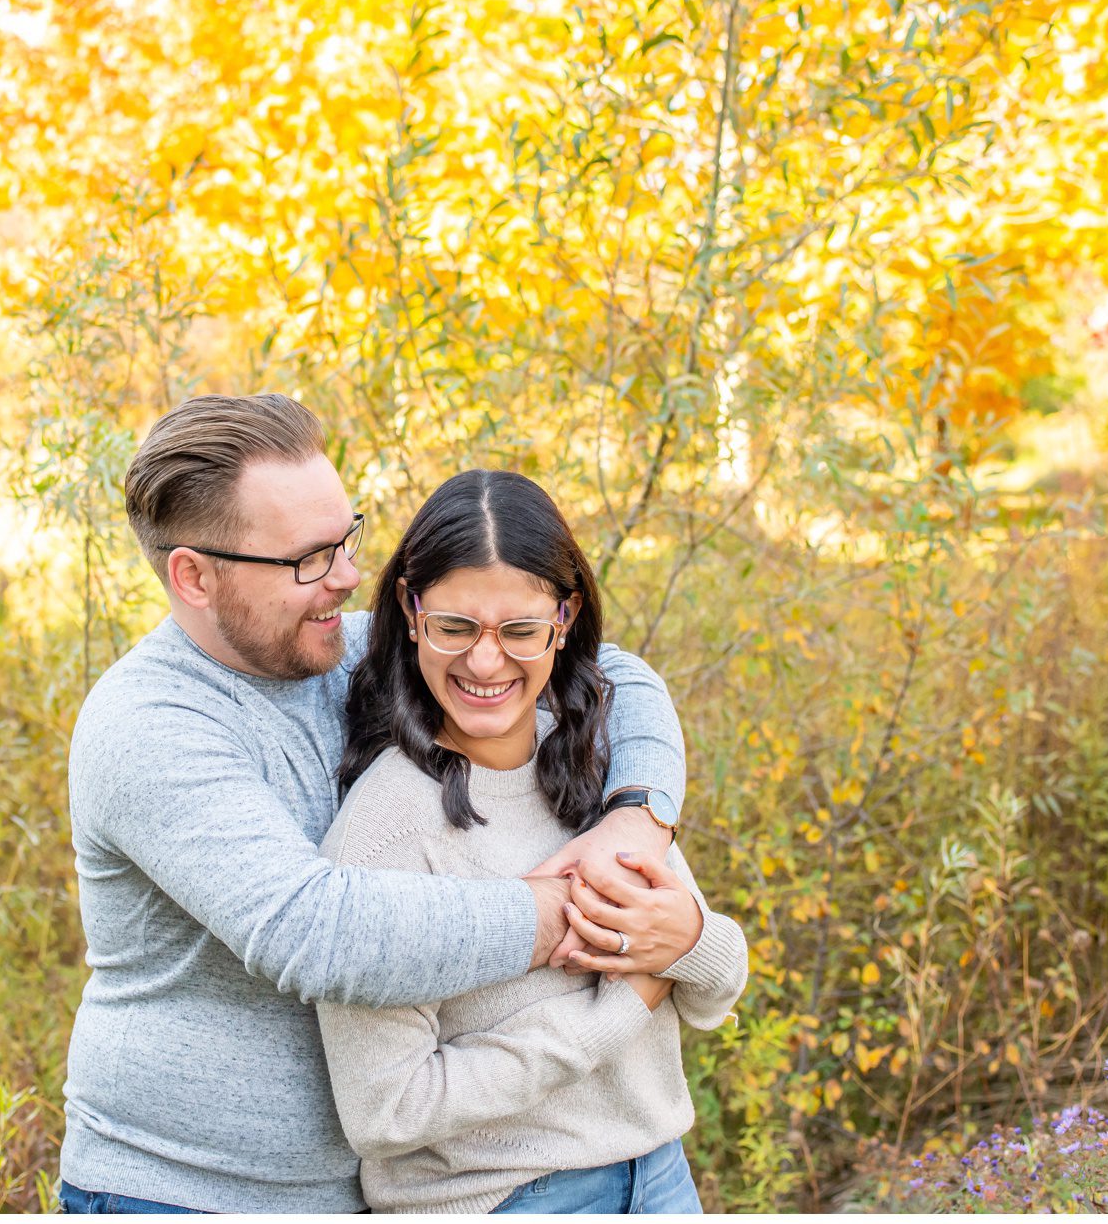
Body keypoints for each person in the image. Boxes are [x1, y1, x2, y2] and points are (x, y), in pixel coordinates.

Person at [58, 394, 703, 1214]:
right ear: (194, 575)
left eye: (346, 539)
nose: (347, 578)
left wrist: (632, 821)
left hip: (359, 1192)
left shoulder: (332, 646)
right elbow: (317, 933)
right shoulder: (150, 727)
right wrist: (575, 912)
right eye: (307, 559)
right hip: (191, 1192)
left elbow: (614, 674)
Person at [318, 469, 748, 1214]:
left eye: (518, 630)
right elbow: (387, 1111)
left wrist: (690, 939)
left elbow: (716, 995)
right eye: (455, 627)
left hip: (660, 1180)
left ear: (564, 617)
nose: (486, 663)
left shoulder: (598, 766)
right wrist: (623, 1008)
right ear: (410, 612)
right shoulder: (385, 827)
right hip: (500, 1201)